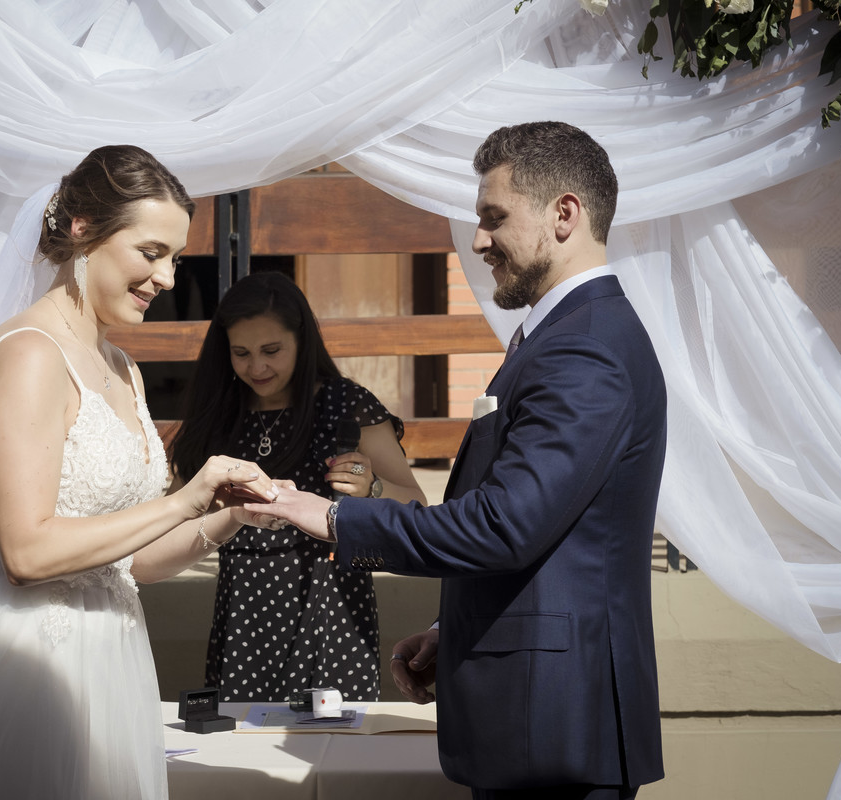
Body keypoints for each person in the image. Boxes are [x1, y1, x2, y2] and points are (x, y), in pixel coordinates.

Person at [247, 122, 667, 799]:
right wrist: (457, 628)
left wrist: (334, 517)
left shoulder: (583, 350)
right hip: (538, 716)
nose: (478, 242)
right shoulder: (563, 338)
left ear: (565, 214)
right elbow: (550, 543)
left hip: (556, 728)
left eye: (494, 218)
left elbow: (504, 525)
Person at [0, 145, 279, 800]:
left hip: (110, 658)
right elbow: (27, 551)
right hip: (25, 661)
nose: (169, 278)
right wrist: (182, 500)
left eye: (174, 257)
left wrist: (229, 517)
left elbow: (130, 562)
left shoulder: (120, 367)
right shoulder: (30, 356)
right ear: (83, 228)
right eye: (151, 253)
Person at [170, 271, 426, 702]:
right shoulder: (217, 411)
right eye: (241, 353)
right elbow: (176, 509)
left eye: (272, 350)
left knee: (331, 748)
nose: (257, 367)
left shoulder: (345, 403)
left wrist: (372, 488)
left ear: (302, 341)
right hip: (243, 608)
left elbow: (416, 502)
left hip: (329, 601)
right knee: (247, 748)